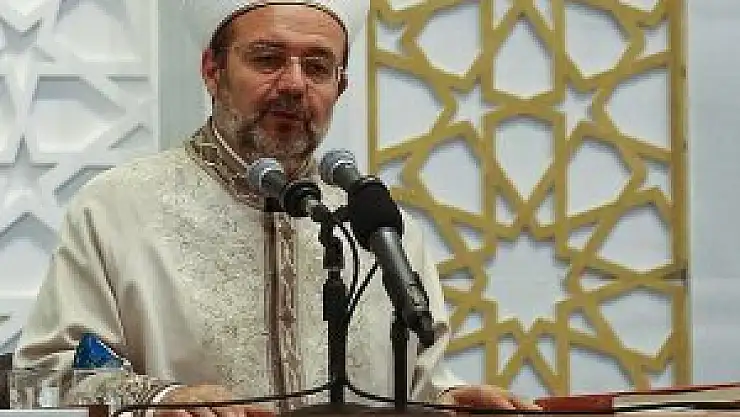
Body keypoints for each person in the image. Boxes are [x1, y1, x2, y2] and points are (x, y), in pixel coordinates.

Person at [14, 1, 539, 416]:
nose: (293, 84)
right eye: (267, 59)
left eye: (317, 67)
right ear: (212, 71)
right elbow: (40, 381)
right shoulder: (117, 210)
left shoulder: (379, 225)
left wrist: (448, 402)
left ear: (340, 87)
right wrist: (159, 400)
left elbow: (419, 382)